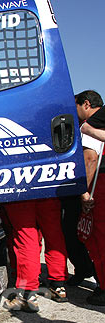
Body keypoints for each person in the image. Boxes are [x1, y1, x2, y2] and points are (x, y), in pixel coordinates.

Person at [1, 198, 70, 312]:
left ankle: (27, 295)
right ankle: (58, 286)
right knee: (53, 234)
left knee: (26, 238)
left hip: (20, 192)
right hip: (49, 189)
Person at [75, 90, 105, 306]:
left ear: (85, 104)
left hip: (100, 186)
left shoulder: (91, 125)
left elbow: (90, 159)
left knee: (99, 239)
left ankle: (103, 288)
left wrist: (84, 192)